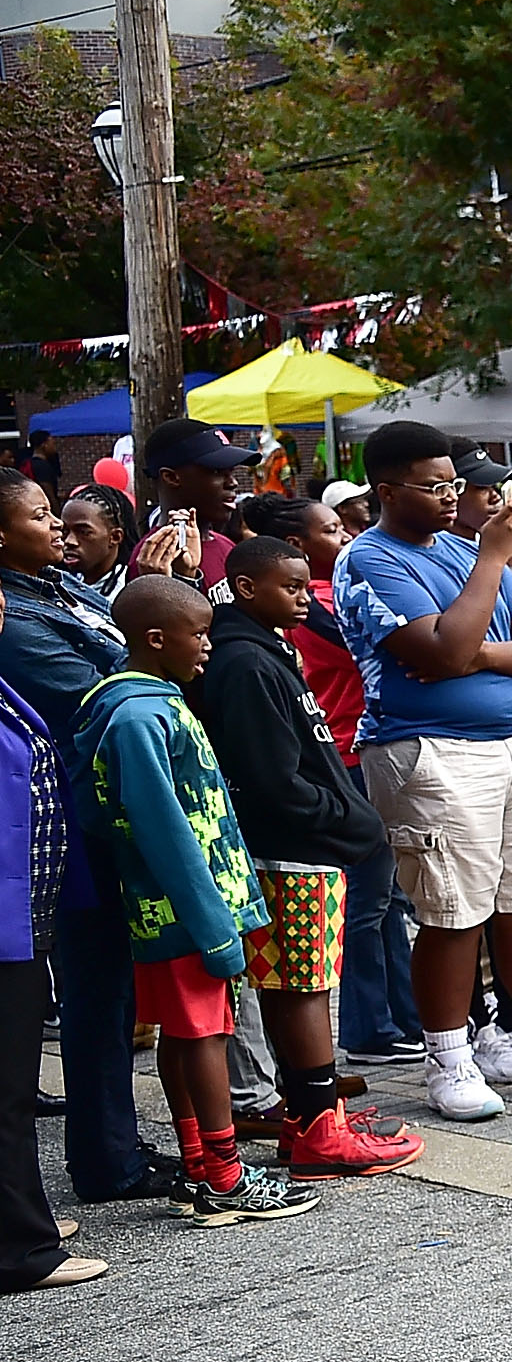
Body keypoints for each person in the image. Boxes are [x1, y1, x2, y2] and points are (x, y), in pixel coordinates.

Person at [335, 420, 512, 1121]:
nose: (453, 497)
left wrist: (473, 648)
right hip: (431, 750)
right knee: (452, 912)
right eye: (435, 486)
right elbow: (441, 654)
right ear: (387, 489)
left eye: (454, 483)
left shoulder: (461, 549)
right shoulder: (372, 559)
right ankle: (450, 1062)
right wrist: (490, 569)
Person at [70, 576, 316, 1222]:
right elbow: (161, 825)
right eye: (199, 632)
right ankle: (224, 1176)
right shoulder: (138, 715)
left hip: (182, 907)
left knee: (190, 1033)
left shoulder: (152, 702)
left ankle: (202, 1165)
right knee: (204, 1034)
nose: (208, 645)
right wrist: (213, 926)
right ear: (156, 639)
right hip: (183, 910)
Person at [190, 537, 426, 1176]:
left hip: (303, 845)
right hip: (291, 850)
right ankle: (322, 1130)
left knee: (301, 981)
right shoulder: (245, 663)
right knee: (302, 986)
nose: (304, 596)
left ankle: (306, 1115)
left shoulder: (262, 649)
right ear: (245, 588)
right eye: (290, 587)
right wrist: (349, 821)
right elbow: (271, 777)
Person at [0, 470, 177, 1207]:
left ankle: (115, 1145)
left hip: (111, 806)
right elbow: (102, 687)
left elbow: (129, 641)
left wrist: (157, 587)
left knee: (112, 992)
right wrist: (151, 628)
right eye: (45, 518)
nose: (61, 534)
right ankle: (107, 1160)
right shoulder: (12, 616)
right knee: (96, 991)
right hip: (73, 816)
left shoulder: (59, 591)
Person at [0, 558, 104, 1286]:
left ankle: (19, 1213)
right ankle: (21, 1246)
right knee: (7, 1087)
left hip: (23, 911)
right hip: (5, 918)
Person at [138, 419, 255, 587]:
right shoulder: (153, 562)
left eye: (231, 471)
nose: (233, 483)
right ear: (171, 477)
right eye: (216, 471)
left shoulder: (225, 545)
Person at [58, 483, 135, 600]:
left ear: (115, 537)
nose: (69, 541)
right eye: (64, 531)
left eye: (84, 532)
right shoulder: (60, 583)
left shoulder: (129, 592)